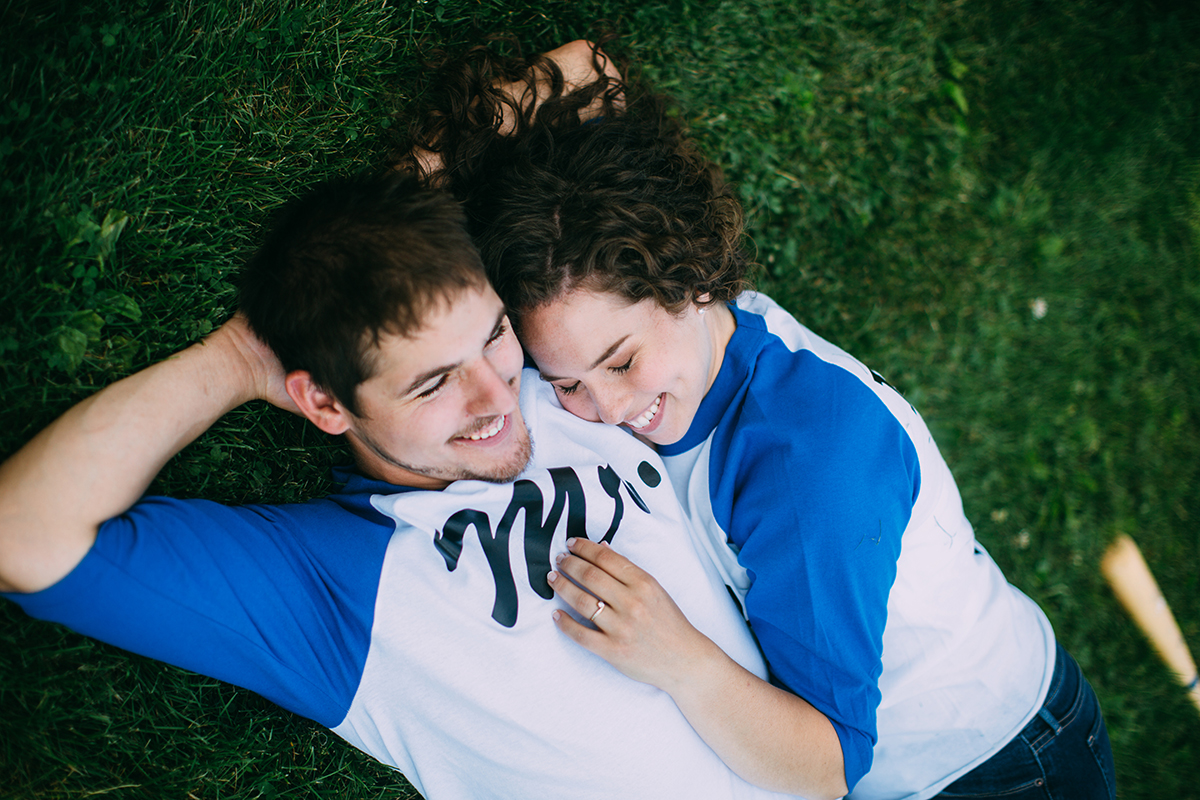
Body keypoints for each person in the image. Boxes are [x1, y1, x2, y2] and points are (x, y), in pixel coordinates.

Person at [422, 48, 1117, 800]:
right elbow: (591, 71)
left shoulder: (802, 473)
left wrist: (677, 655)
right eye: (567, 383)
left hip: (997, 769)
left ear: (685, 278)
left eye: (620, 365)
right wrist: (411, 191)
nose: (612, 412)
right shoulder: (662, 296)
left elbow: (825, 769)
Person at [0, 170, 809, 800]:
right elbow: (21, 535)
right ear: (322, 402)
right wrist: (240, 360)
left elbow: (586, 74)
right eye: (432, 386)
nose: (496, 399)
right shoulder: (334, 589)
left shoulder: (569, 379)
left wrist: (405, 212)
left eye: (493, 334)